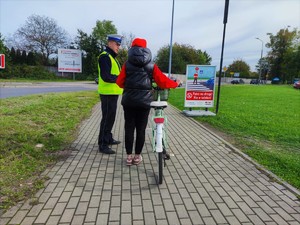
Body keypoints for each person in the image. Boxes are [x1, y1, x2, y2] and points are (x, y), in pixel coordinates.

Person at [116, 38, 180, 166]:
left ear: (132, 48)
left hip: (128, 101)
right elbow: (162, 81)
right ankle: (137, 157)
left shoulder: (127, 65)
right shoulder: (151, 65)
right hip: (144, 102)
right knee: (141, 129)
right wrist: (175, 83)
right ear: (145, 49)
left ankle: (128, 157)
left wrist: (129, 87)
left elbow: (119, 82)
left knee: (129, 128)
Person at [97, 34, 123, 154]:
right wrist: (121, 79)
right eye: (117, 44)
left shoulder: (113, 58)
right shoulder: (105, 57)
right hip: (107, 93)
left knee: (110, 118)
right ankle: (102, 144)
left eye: (119, 44)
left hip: (112, 93)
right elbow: (106, 76)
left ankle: (108, 138)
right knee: (107, 118)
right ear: (110, 43)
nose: (119, 46)